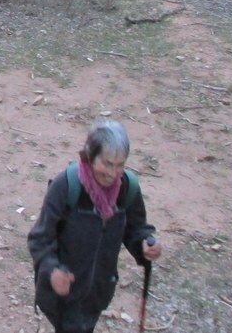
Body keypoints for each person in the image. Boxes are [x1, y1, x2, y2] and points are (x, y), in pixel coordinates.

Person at [28, 120, 163, 333]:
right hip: (63, 294)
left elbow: (137, 229)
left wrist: (145, 244)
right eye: (107, 164)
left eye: (120, 165)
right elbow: (40, 238)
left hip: (98, 291)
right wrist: (52, 270)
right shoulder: (65, 186)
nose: (113, 173)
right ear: (90, 157)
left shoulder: (127, 188)